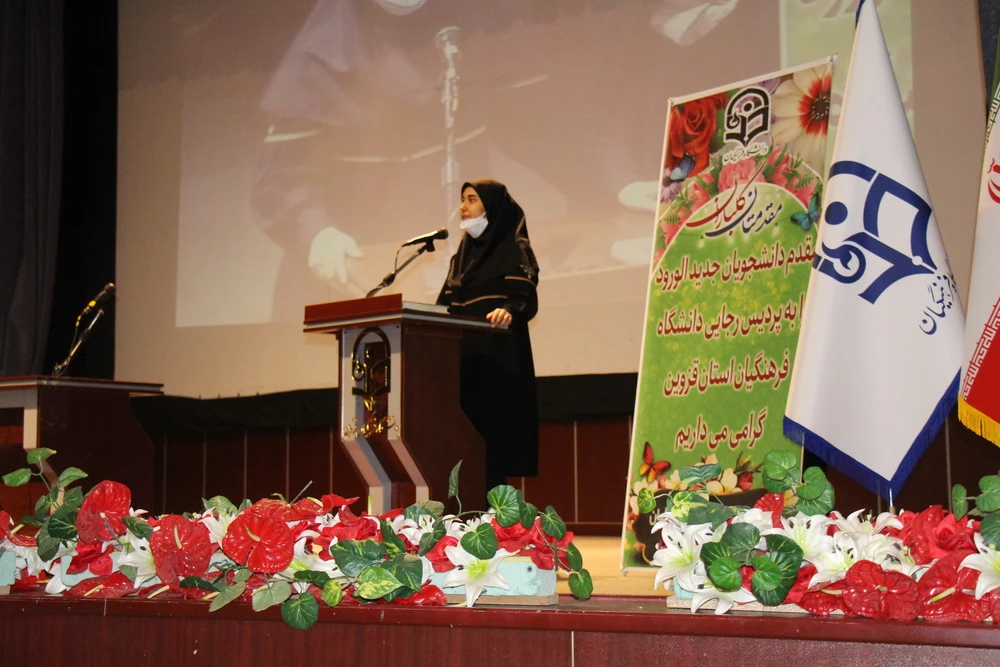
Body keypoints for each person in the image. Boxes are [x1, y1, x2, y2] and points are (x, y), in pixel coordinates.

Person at [437, 180, 540, 491]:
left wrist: (508, 310)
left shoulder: (513, 249)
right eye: (462, 200)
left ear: (492, 207)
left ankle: (492, 511)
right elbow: (442, 307)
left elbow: (524, 299)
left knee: (492, 448)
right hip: (463, 366)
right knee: (464, 447)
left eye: (472, 199)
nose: (463, 207)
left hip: (498, 364)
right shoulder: (462, 256)